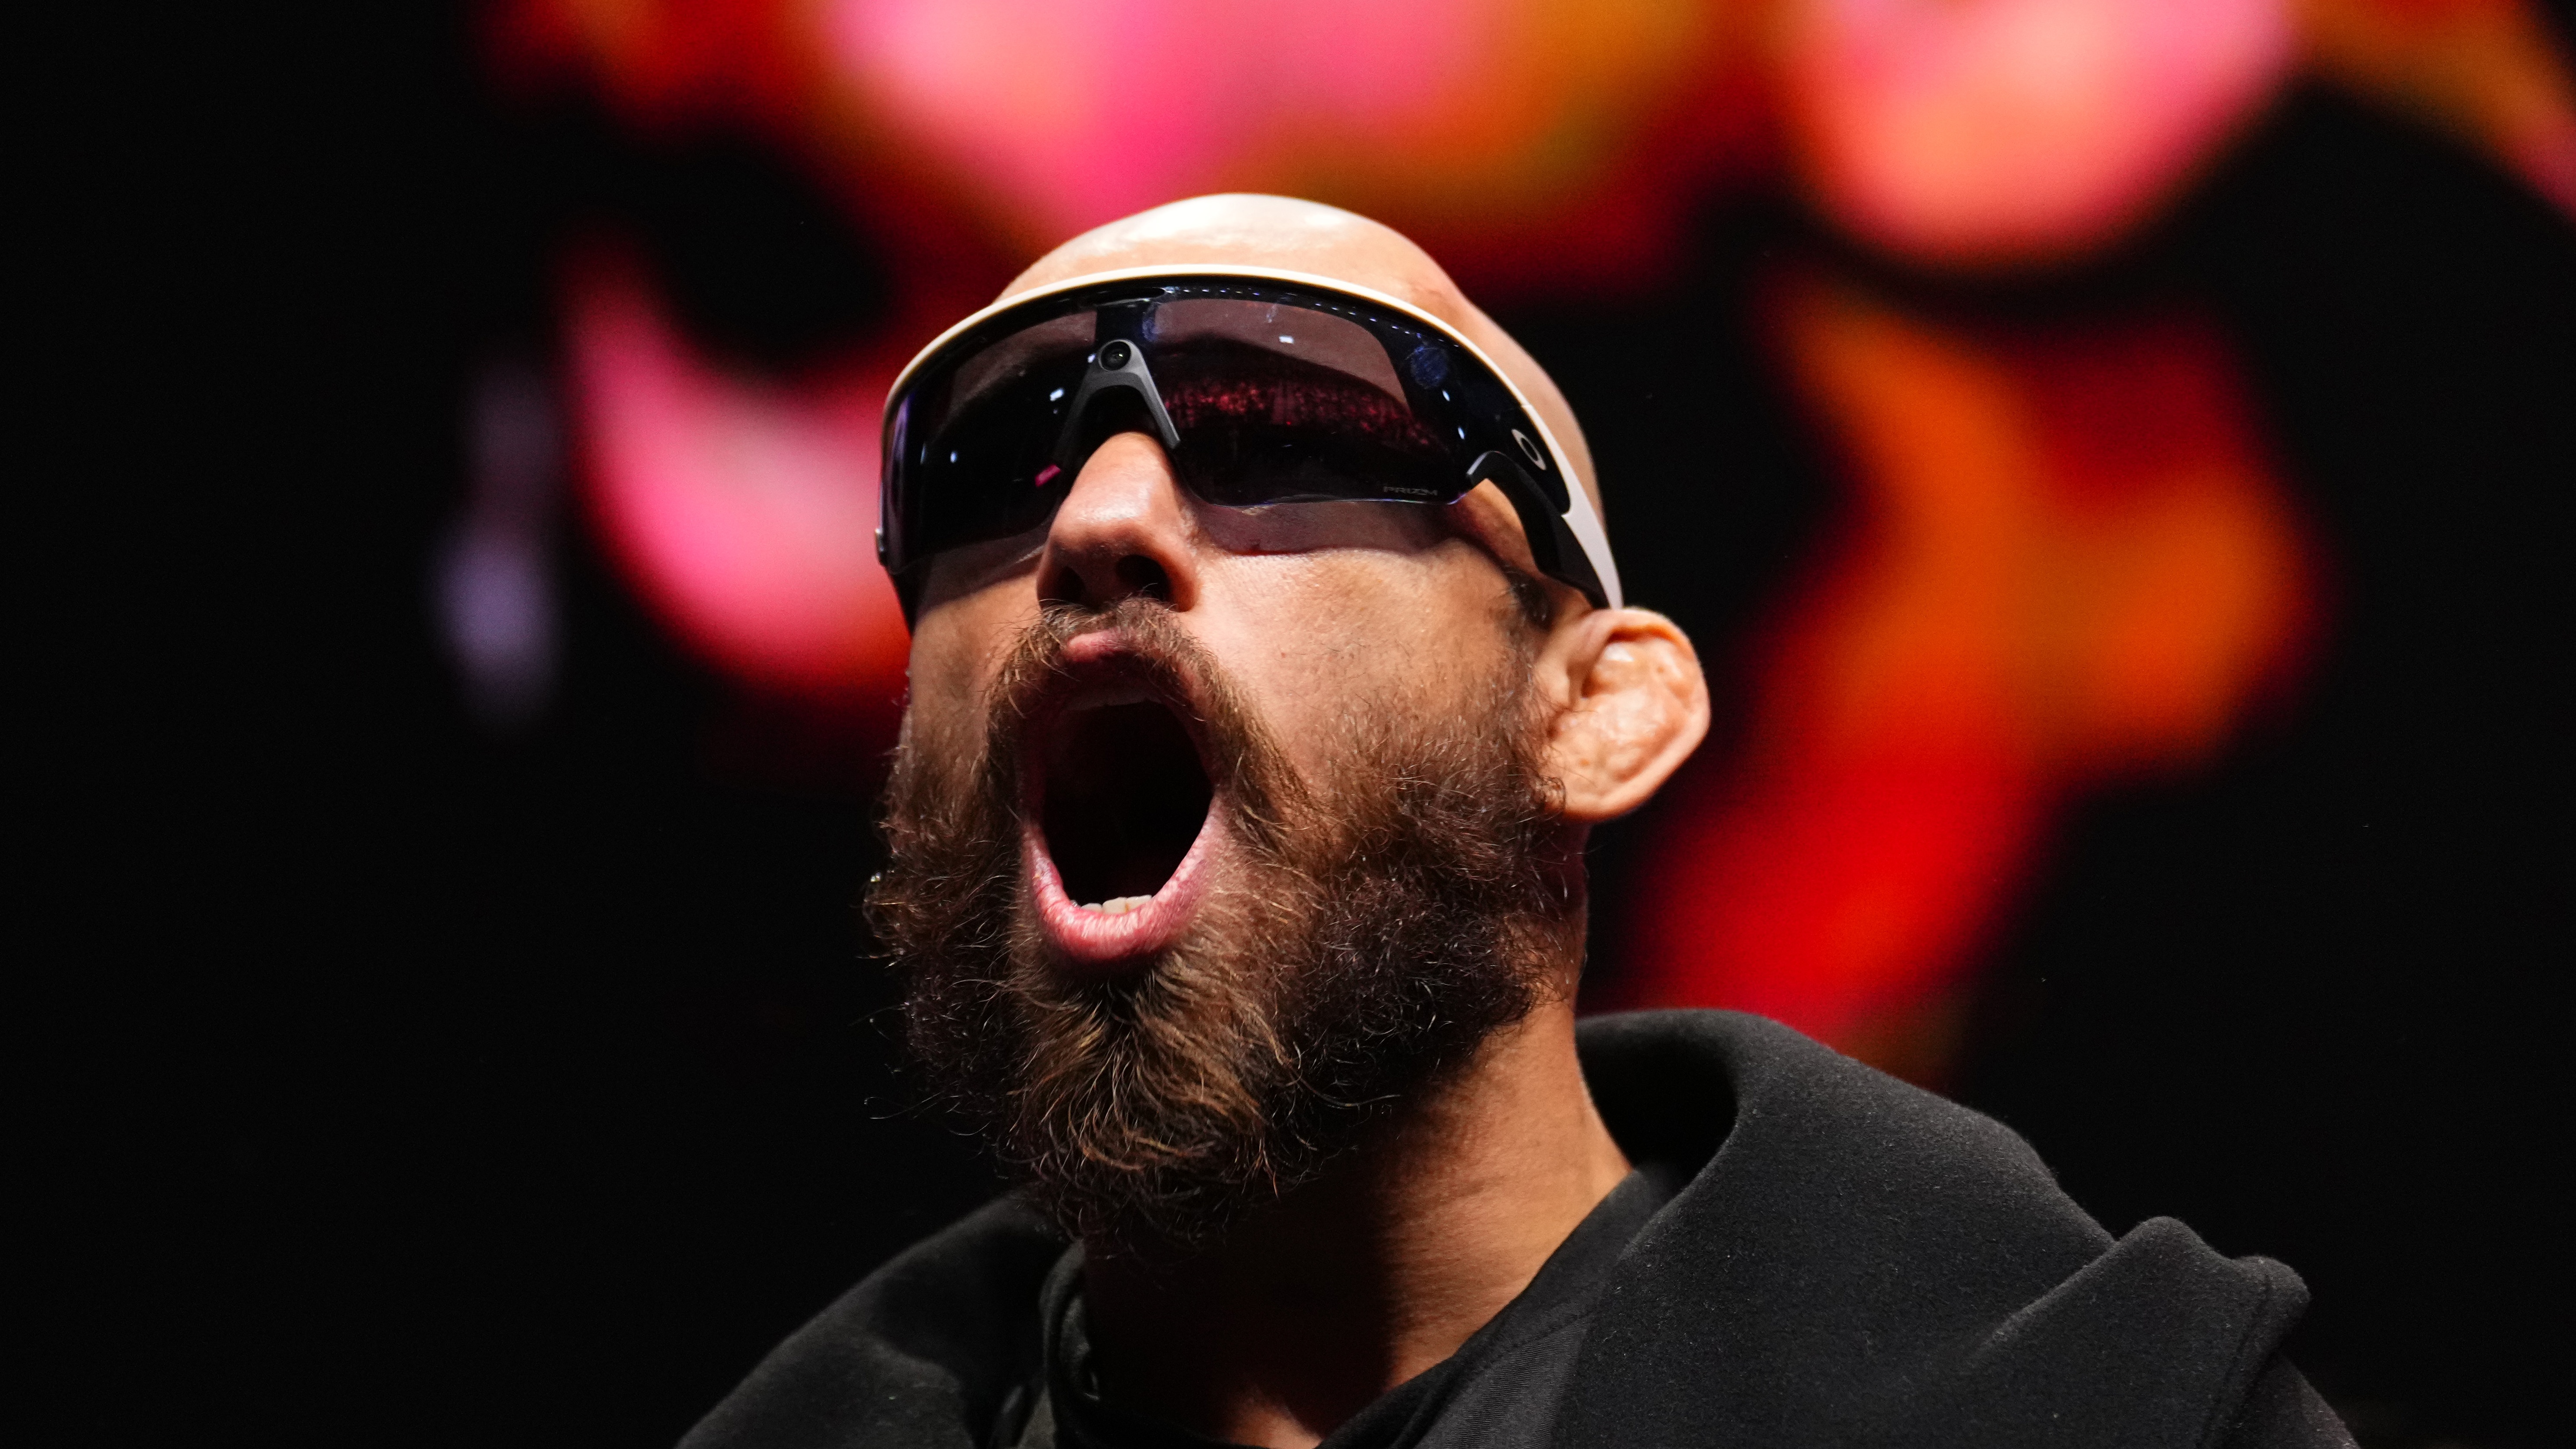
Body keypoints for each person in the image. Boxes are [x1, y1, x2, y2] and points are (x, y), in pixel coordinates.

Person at [679, 195, 2353, 1449]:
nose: (1101, 518)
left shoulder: (2094, 1404)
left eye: (1281, 418)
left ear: (1595, 709)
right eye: (989, 464)